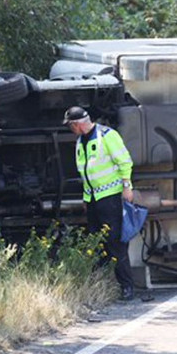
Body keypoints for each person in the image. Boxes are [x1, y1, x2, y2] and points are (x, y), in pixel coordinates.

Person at [62, 105, 135, 300]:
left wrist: (127, 186)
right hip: (93, 199)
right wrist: (86, 198)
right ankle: (103, 287)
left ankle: (127, 287)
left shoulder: (107, 136)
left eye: (70, 125)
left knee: (115, 242)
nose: (70, 129)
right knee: (97, 242)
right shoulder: (81, 141)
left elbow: (125, 162)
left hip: (110, 197)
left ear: (77, 124)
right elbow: (86, 174)